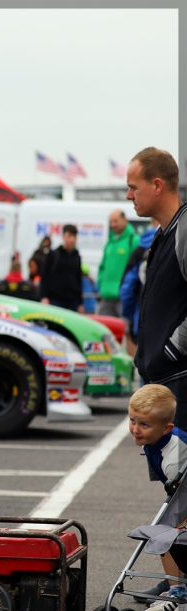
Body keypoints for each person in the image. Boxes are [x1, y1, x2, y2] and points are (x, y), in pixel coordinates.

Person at [129, 147, 187, 427]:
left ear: (157, 185)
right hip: (163, 381)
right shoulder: (162, 235)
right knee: (168, 471)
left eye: (132, 187)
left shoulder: (184, 232)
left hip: (179, 384)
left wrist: (169, 353)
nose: (129, 196)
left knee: (178, 471)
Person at [126, 385, 187, 611]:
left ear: (166, 429)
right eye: (133, 420)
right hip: (181, 494)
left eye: (144, 425)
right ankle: (177, 591)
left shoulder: (174, 457)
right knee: (167, 530)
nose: (135, 429)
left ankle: (178, 594)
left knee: (167, 533)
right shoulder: (156, 443)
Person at [120, 219, 159, 359]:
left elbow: (127, 290)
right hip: (174, 327)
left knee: (146, 368)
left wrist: (130, 317)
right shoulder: (177, 243)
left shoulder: (140, 249)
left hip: (143, 318)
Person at [97, 209, 139, 317]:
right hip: (106, 296)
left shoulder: (133, 240)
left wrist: (127, 290)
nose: (113, 225)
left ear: (125, 220)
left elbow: (137, 269)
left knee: (123, 330)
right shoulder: (110, 242)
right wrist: (102, 286)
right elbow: (102, 266)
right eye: (111, 222)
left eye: (116, 221)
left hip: (123, 297)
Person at [40, 224, 84, 312]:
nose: (72, 240)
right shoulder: (53, 255)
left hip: (72, 302)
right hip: (56, 300)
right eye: (69, 236)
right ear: (63, 237)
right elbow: (44, 276)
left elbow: (78, 279)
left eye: (74, 236)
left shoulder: (77, 256)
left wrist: (80, 303)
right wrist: (44, 297)